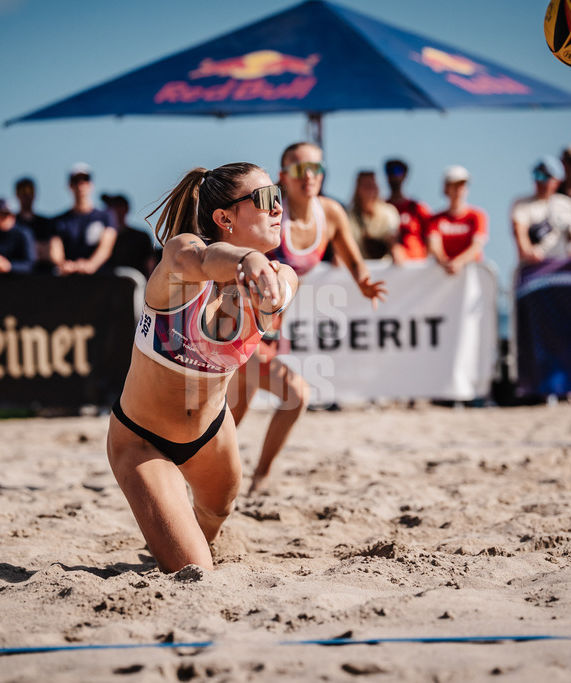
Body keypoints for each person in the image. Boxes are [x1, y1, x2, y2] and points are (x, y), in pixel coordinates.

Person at [106, 162, 297, 572]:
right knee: (194, 570)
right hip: (143, 439)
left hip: (211, 434)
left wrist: (257, 272)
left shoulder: (280, 277)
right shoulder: (183, 255)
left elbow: (279, 289)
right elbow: (205, 258)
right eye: (266, 198)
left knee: (217, 511)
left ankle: (180, 534)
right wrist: (246, 258)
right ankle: (173, 532)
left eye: (279, 196)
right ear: (224, 218)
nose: (279, 207)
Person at [230, 142, 387, 495]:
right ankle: (259, 478)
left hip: (270, 330)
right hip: (242, 324)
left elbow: (353, 259)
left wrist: (364, 283)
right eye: (301, 169)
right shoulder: (269, 213)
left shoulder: (329, 212)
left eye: (317, 168)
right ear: (283, 176)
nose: (310, 176)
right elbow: (232, 252)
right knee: (296, 396)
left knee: (231, 416)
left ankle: (194, 472)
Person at [511, 156, 571, 264]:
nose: (539, 181)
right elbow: (520, 235)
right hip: (532, 268)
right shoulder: (521, 205)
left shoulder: (567, 205)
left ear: (557, 181)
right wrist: (530, 252)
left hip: (561, 268)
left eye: (545, 177)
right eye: (537, 175)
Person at [54, 163, 117, 275]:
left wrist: (91, 265)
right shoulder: (60, 221)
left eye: (85, 180)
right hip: (68, 280)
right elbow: (54, 249)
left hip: (100, 280)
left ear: (91, 185)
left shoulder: (106, 216)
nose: (80, 186)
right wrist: (64, 265)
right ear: (70, 186)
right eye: (76, 181)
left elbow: (106, 248)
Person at [426, 165, 488, 275]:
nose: (459, 189)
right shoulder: (436, 219)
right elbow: (434, 246)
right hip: (444, 274)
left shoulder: (477, 216)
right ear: (446, 189)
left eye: (462, 185)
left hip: (471, 275)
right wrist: (446, 262)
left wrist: (459, 262)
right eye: (454, 185)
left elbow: (477, 246)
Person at [384, 158, 432, 265]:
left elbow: (430, 238)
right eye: (389, 171)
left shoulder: (418, 208)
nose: (394, 176)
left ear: (405, 175)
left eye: (398, 171)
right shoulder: (380, 209)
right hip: (387, 266)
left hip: (416, 265)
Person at [346, 170, 400, 260]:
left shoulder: (389, 213)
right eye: (366, 186)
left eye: (372, 185)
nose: (370, 190)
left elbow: (394, 243)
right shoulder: (348, 216)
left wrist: (396, 251)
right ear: (357, 189)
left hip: (385, 266)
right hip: (359, 265)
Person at [14, 176, 62, 275]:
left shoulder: (46, 223)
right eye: (22, 191)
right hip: (17, 277)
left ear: (35, 194)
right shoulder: (12, 224)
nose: (26, 194)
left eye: (29, 190)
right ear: (17, 194)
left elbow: (56, 255)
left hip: (44, 276)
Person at [104, 193, 156, 277]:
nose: (112, 210)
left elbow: (150, 264)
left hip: (135, 282)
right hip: (106, 283)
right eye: (110, 206)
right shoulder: (100, 238)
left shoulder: (141, 237)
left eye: (117, 206)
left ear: (126, 209)